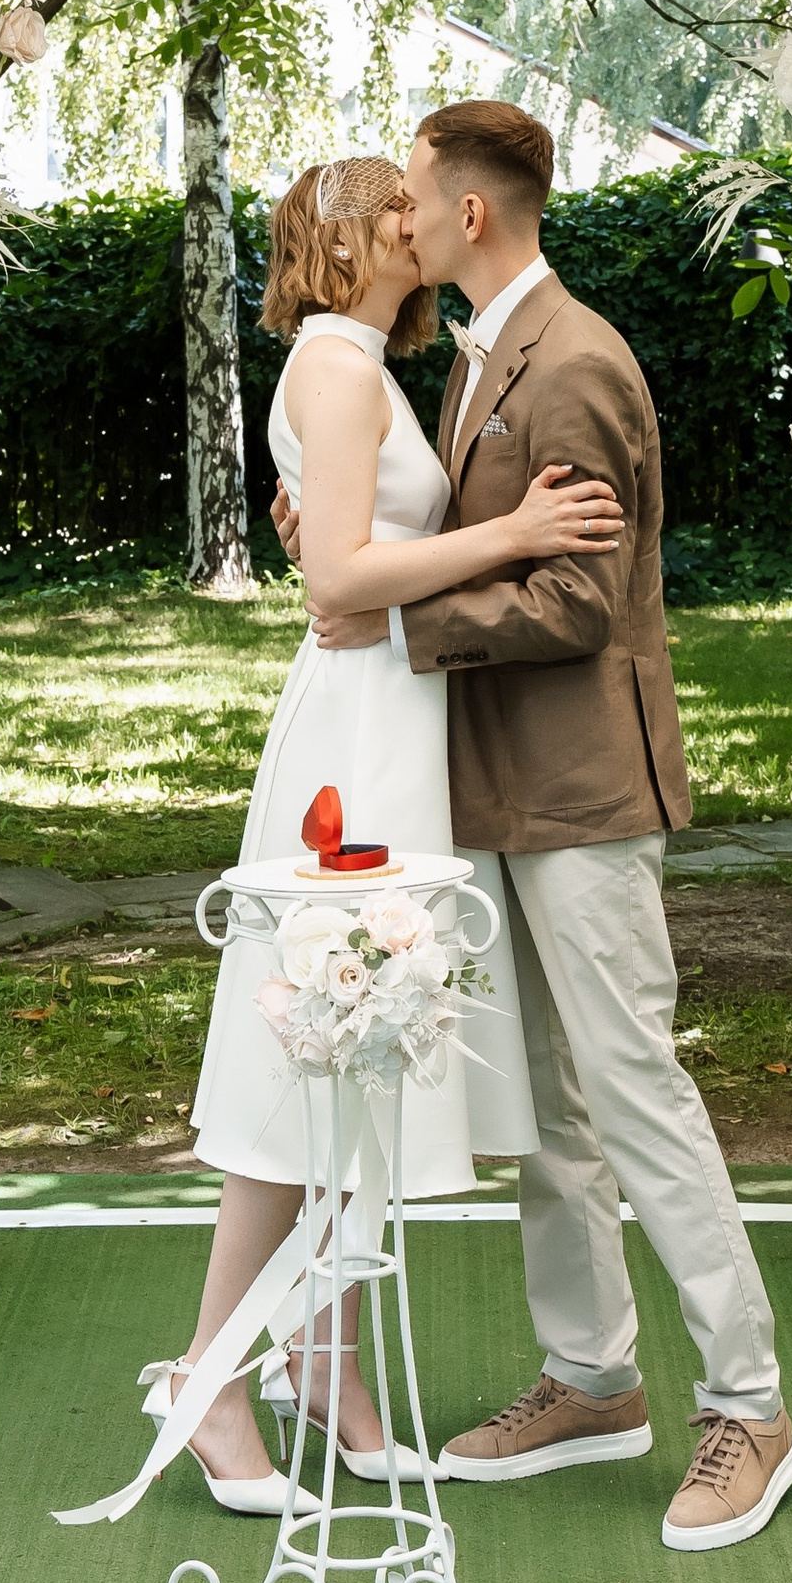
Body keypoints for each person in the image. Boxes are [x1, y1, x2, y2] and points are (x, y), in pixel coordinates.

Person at [304, 100, 792, 1556]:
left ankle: (753, 1407)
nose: (399, 215)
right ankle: (593, 1379)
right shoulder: (476, 357)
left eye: (412, 194)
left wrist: (390, 619)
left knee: (633, 1087)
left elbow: (579, 601)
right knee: (550, 1109)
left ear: (470, 215)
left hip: (581, 790)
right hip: (498, 787)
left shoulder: (574, 360)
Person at [150, 153, 624, 1513]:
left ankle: (328, 1362)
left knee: (364, 1060)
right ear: (356, 235)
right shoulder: (341, 369)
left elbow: (341, 554)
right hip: (359, 743)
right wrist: (519, 532)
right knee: (314, 1060)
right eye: (399, 206)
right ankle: (210, 1378)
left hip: (392, 722)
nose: (425, 219)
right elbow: (348, 578)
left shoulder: (357, 361)